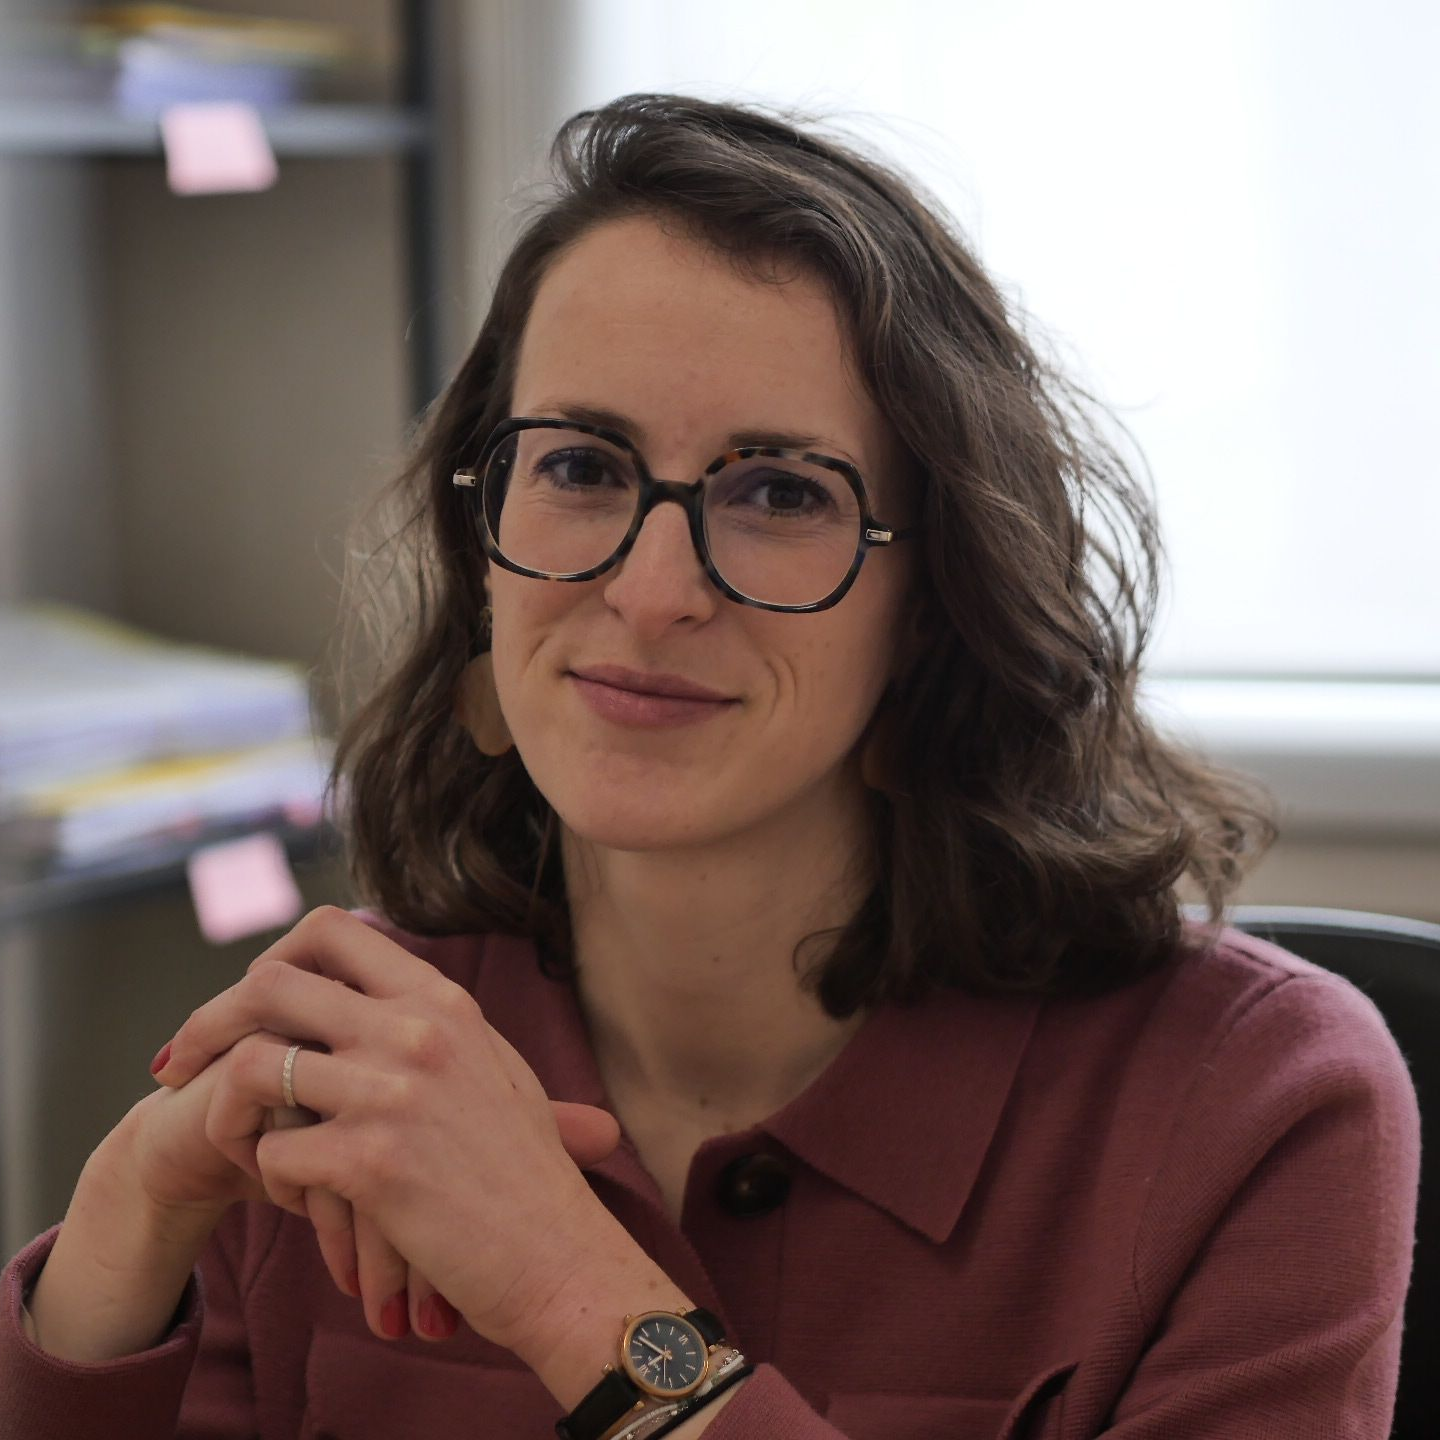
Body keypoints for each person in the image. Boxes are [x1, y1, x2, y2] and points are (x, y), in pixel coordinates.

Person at [1, 93, 1420, 1440]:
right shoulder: (346, 1051)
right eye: (581, 467)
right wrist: (119, 1242)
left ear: (938, 599)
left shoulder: (1259, 1100)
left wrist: (575, 1298)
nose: (654, 587)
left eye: (782, 493)